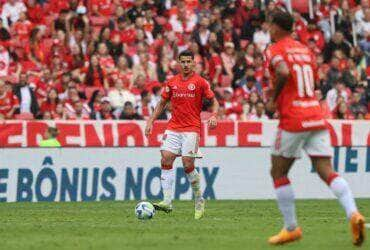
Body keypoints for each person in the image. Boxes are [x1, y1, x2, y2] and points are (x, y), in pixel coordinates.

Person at [265, 10, 365, 246]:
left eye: (270, 26)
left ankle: (291, 228)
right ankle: (354, 213)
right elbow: (314, 81)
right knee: (326, 170)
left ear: (277, 28)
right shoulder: (305, 50)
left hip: (294, 117)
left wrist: (273, 99)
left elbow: (282, 72)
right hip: (316, 115)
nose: (268, 30)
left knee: (278, 172)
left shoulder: (276, 49)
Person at [145, 50, 219, 219]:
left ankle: (199, 199)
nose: (186, 65)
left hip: (191, 128)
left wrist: (214, 115)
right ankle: (167, 201)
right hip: (173, 126)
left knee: (187, 164)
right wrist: (151, 121)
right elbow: (162, 103)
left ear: (194, 63)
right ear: (179, 62)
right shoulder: (171, 82)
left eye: (188, 61)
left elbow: (214, 102)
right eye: (183, 62)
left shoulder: (200, 82)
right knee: (166, 158)